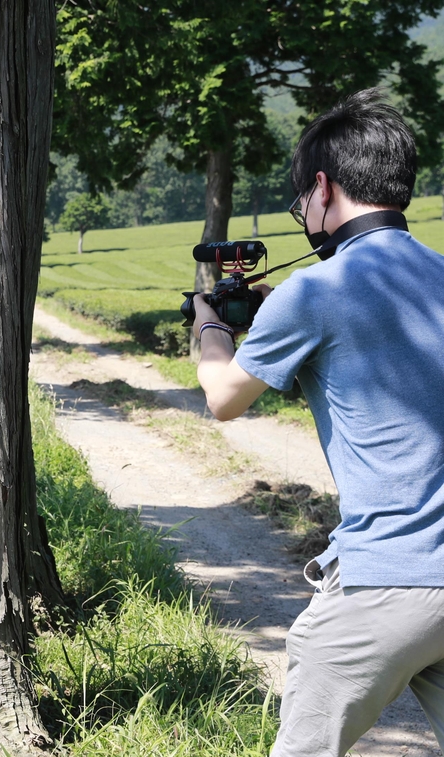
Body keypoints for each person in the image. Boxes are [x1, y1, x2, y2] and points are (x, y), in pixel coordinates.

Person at [191, 88, 444, 756]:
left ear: (324, 188)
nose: (302, 210)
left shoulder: (313, 290)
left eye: (300, 198)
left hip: (384, 581)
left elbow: (223, 397)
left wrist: (209, 325)